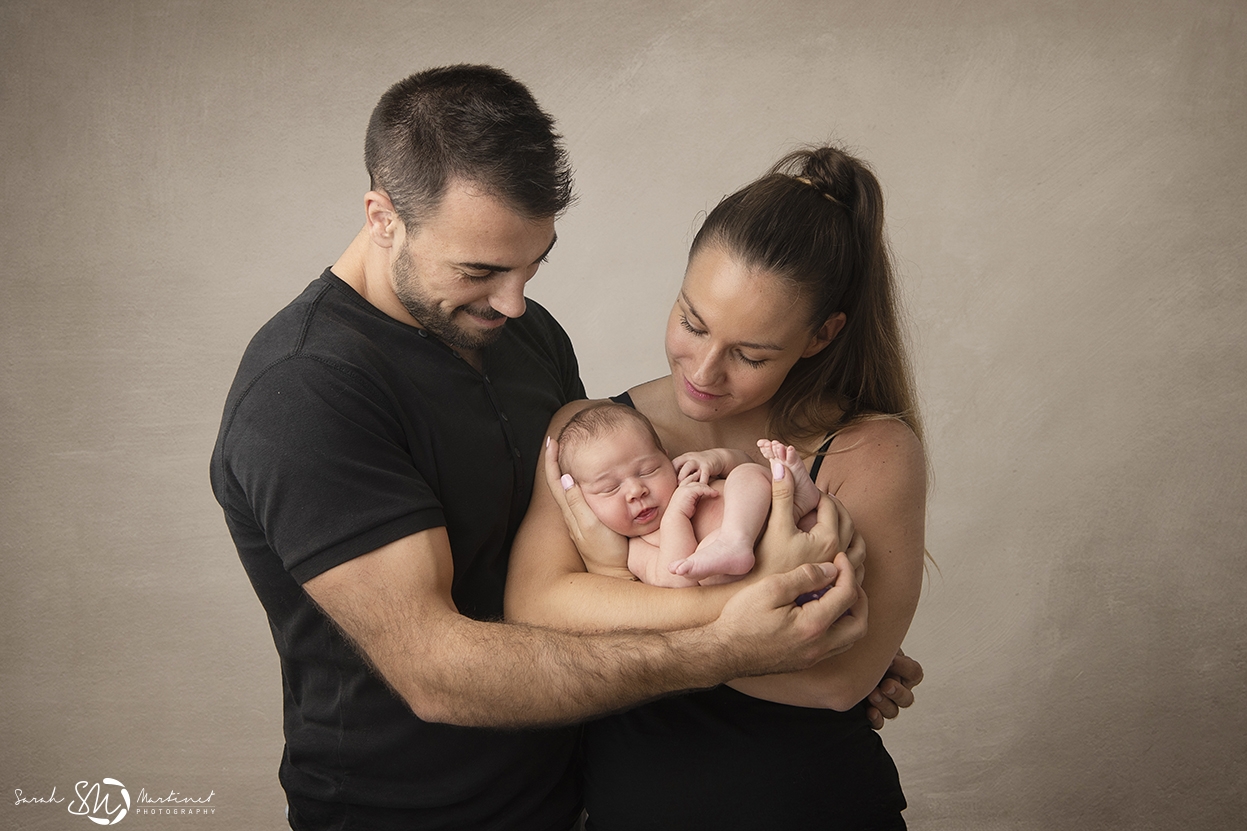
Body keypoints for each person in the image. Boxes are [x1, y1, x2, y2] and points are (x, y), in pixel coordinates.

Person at [210, 65, 910, 831]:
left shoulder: (523, 335)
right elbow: (437, 673)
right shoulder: (305, 392)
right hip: (410, 813)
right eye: (481, 271)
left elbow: (598, 555)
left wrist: (837, 655)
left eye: (531, 264)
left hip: (569, 796)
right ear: (382, 216)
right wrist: (747, 640)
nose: (514, 301)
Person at [505, 143, 927, 829]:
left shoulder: (869, 449)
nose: (702, 368)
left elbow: (834, 679)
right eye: (691, 321)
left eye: (750, 353)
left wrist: (614, 592)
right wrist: (755, 615)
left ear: (820, 336)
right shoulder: (595, 436)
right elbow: (533, 612)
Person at [556, 401, 824, 586]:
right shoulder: (636, 547)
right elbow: (674, 579)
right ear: (582, 503)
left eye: (648, 470)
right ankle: (735, 543)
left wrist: (717, 459)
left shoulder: (685, 474)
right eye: (610, 488)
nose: (636, 490)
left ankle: (799, 501)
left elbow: (742, 463)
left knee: (747, 473)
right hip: (772, 559)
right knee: (706, 568)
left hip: (789, 516)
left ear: (665, 457)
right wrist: (676, 518)